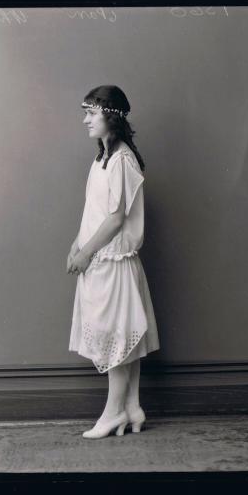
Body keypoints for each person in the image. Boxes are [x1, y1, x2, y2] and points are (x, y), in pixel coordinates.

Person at [67, 85, 160, 439]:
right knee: (119, 338)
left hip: (112, 260)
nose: (86, 119)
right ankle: (132, 407)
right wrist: (76, 243)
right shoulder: (102, 157)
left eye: (91, 112)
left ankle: (112, 413)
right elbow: (94, 208)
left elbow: (117, 217)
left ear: (112, 116)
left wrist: (87, 251)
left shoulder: (122, 159)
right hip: (101, 259)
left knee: (116, 340)